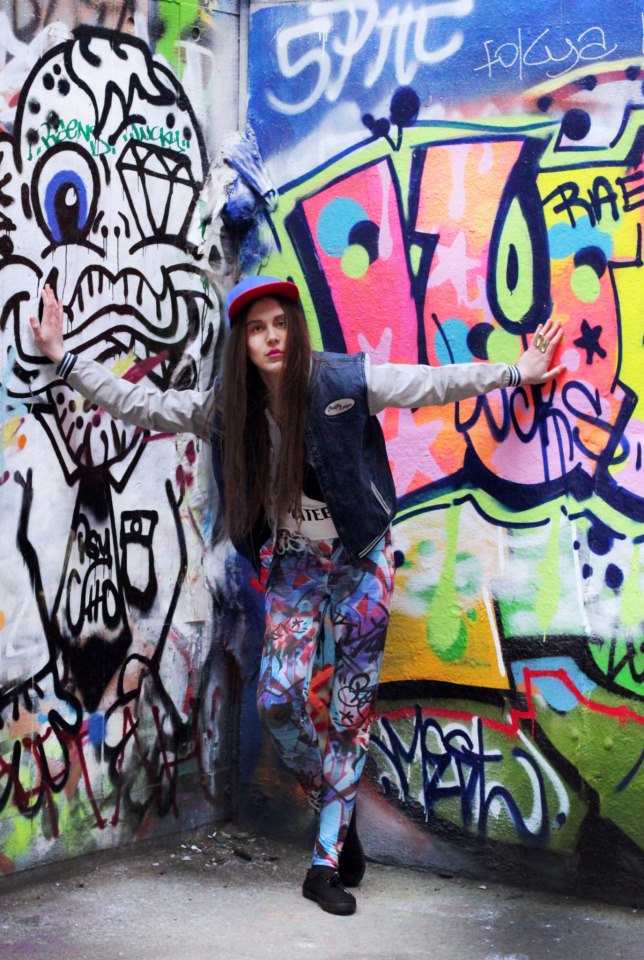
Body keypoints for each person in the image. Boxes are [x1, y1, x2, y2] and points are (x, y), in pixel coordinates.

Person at [30, 277, 564, 916]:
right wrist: (63, 357)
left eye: (280, 323)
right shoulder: (227, 408)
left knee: (350, 711)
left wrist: (516, 370)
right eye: (257, 329)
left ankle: (325, 863)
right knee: (279, 698)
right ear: (244, 345)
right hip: (295, 569)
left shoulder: (343, 381)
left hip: (362, 562)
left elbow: (430, 383)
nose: (271, 337)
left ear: (295, 329)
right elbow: (145, 406)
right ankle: (336, 813)